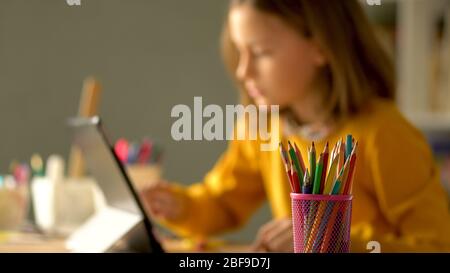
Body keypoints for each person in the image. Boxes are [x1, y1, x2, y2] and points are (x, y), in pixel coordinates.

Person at [141, 0, 450, 252]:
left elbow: (436, 246)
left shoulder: (385, 135)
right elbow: (223, 204)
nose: (242, 70)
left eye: (260, 52)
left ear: (321, 47)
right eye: (239, 51)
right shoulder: (262, 127)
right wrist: (178, 206)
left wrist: (334, 244)